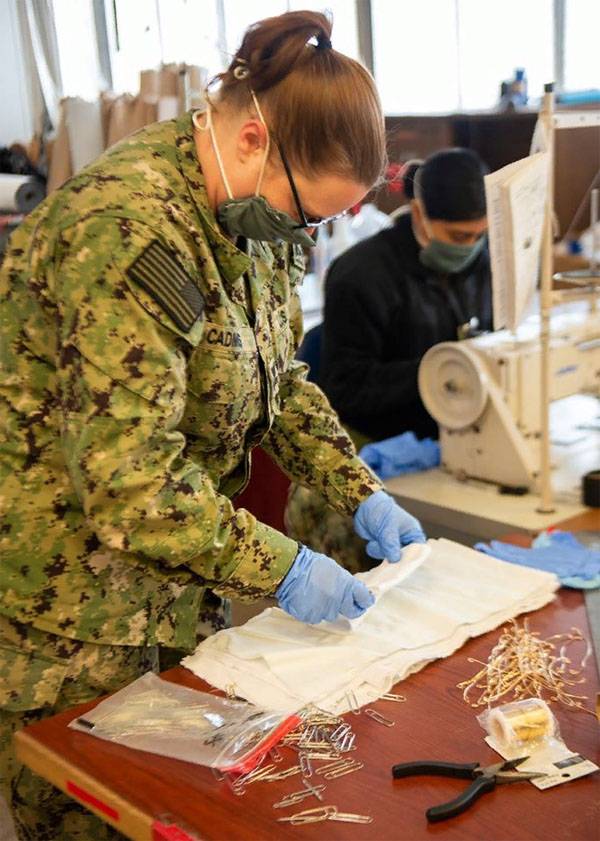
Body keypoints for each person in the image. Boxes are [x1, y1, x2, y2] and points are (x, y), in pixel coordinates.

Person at [0, 11, 425, 839]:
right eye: (310, 214)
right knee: (96, 821)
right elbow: (134, 491)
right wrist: (288, 566)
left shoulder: (248, 213)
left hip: (175, 594)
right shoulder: (123, 232)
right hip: (69, 618)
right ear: (253, 137)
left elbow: (281, 379)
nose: (309, 235)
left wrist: (359, 488)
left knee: (189, 814)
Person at [286, 148, 491, 572]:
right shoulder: (361, 275)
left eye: (478, 236)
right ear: (419, 214)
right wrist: (436, 374)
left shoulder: (483, 264)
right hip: (370, 441)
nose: (469, 248)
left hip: (446, 439)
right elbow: (347, 387)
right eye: (458, 237)